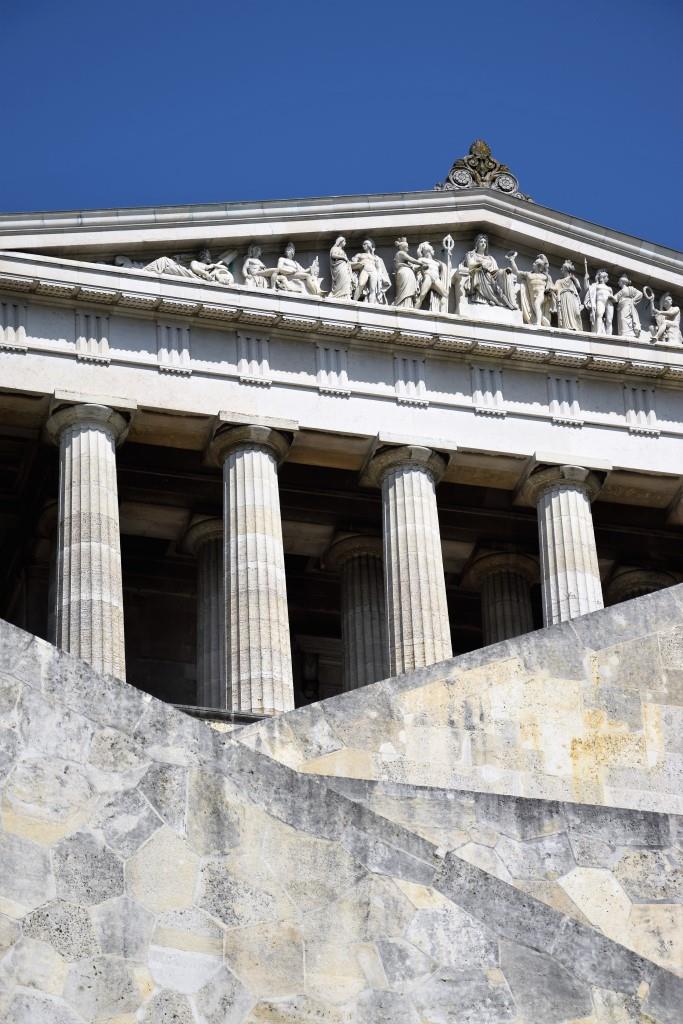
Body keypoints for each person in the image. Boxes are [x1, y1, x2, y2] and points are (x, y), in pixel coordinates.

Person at [457, 233, 516, 308]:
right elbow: (470, 265)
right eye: (481, 242)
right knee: (479, 269)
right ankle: (492, 299)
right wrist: (481, 265)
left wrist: (505, 271)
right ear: (477, 244)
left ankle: (509, 302)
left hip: (491, 278)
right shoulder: (470, 254)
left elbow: (496, 271)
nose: (483, 244)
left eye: (485, 242)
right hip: (479, 274)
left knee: (505, 273)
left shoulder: (491, 258)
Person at [506, 252, 556, 327]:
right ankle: (545, 323)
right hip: (532, 295)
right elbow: (516, 272)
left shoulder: (545, 276)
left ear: (540, 267)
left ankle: (538, 323)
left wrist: (549, 291)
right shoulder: (528, 274)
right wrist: (512, 260)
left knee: (537, 304)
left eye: (535, 263)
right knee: (536, 310)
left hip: (541, 294)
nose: (533, 264)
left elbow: (552, 286)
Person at [351, 239, 391, 304]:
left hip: (373, 271)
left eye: (366, 244)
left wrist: (373, 254)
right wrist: (357, 262)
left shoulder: (375, 257)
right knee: (361, 284)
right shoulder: (360, 255)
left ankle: (371, 304)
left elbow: (378, 267)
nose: (364, 245)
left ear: (370, 245)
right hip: (365, 270)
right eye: (363, 244)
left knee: (373, 289)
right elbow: (353, 263)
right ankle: (354, 301)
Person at [415, 241, 449, 312]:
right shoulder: (421, 260)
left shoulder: (436, 262)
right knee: (422, 296)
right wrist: (422, 268)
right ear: (428, 251)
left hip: (436, 279)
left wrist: (447, 253)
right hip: (428, 277)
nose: (434, 251)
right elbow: (415, 267)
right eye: (432, 249)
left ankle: (442, 312)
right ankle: (414, 310)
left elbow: (445, 266)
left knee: (445, 294)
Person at [584, 267, 615, 335]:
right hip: (600, 301)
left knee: (609, 320)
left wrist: (612, 298)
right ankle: (598, 332)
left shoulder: (609, 288)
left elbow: (613, 298)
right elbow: (588, 290)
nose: (608, 279)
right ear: (603, 278)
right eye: (607, 277)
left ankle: (609, 335)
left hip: (609, 303)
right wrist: (586, 279)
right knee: (599, 315)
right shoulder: (596, 286)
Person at [554, 260, 584, 332]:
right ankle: (566, 326)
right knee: (566, 312)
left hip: (572, 297)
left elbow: (579, 288)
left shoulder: (572, 279)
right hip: (563, 297)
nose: (561, 269)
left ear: (566, 269)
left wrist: (574, 279)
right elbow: (555, 288)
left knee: (575, 312)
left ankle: (574, 326)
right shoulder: (559, 281)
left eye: (562, 268)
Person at [393, 238, 420, 308]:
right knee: (405, 290)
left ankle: (408, 305)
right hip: (404, 273)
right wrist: (421, 263)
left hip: (407, 273)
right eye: (407, 247)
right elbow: (411, 259)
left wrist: (420, 268)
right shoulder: (401, 253)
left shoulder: (404, 258)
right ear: (403, 247)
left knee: (408, 290)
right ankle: (403, 304)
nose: (408, 248)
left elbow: (413, 266)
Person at [329, 237, 353, 301]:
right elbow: (333, 255)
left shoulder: (342, 251)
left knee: (347, 280)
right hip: (339, 267)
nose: (345, 243)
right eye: (344, 241)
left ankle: (346, 296)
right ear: (341, 242)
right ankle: (339, 295)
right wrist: (343, 257)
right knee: (342, 280)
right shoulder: (335, 248)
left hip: (345, 267)